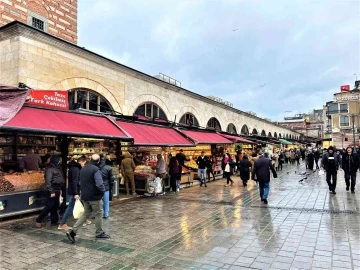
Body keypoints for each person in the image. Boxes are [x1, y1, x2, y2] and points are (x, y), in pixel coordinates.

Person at [66, 154, 109, 243]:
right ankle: (99, 232)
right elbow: (99, 184)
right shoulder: (96, 170)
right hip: (94, 196)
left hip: (85, 195)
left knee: (86, 213)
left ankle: (73, 231)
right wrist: (102, 192)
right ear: (98, 160)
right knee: (98, 213)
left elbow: (80, 182)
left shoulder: (83, 169)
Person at [58, 157, 89, 230]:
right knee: (71, 207)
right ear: (82, 162)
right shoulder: (76, 169)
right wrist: (75, 193)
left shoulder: (74, 168)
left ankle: (84, 220)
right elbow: (74, 181)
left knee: (80, 205)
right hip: (74, 192)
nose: (84, 165)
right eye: (84, 164)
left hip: (74, 191)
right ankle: (62, 223)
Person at [35, 155, 65, 228]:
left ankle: (54, 220)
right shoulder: (50, 169)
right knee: (49, 205)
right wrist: (51, 191)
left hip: (57, 189)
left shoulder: (57, 168)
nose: (60, 161)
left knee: (55, 206)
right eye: (59, 160)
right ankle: (38, 220)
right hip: (51, 190)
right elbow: (48, 181)